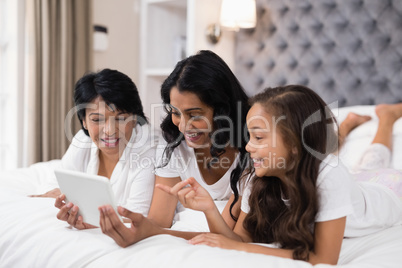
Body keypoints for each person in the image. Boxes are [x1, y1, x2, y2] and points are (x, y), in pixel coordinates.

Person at [98, 85, 402, 264]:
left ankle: (385, 119)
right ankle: (347, 127)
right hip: (336, 175)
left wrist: (240, 248)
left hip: (386, 189)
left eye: (257, 137)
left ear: (295, 144)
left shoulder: (329, 175)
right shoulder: (257, 175)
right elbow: (238, 237)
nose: (247, 146)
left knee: (372, 163)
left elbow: (323, 259)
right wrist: (208, 209)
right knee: (347, 162)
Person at [144, 50, 250, 228]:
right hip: (182, 240)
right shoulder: (173, 143)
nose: (183, 126)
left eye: (194, 114)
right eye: (175, 113)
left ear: (221, 110)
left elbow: (234, 237)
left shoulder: (253, 144)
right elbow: (159, 222)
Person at [39, 69, 157, 229]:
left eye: (121, 118)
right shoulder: (83, 140)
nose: (109, 130)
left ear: (135, 117)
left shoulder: (148, 151)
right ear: (84, 121)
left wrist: (86, 218)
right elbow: (53, 188)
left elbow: (137, 218)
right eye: (97, 119)